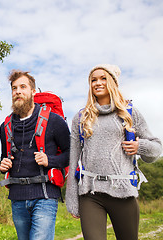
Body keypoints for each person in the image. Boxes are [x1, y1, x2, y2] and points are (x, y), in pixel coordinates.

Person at [65, 64, 162, 240]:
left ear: (113, 83)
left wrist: (139, 147)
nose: (97, 83)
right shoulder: (81, 118)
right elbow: (74, 160)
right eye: (93, 80)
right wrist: (72, 198)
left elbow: (156, 149)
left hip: (123, 192)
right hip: (90, 193)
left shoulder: (129, 113)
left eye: (103, 78)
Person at [0, 70, 70, 240]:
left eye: (23, 87)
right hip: (17, 198)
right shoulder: (5, 127)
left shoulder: (54, 121)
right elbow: (3, 157)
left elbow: (71, 154)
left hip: (45, 196)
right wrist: (3, 165)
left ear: (33, 91)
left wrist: (49, 160)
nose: (18, 91)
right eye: (14, 88)